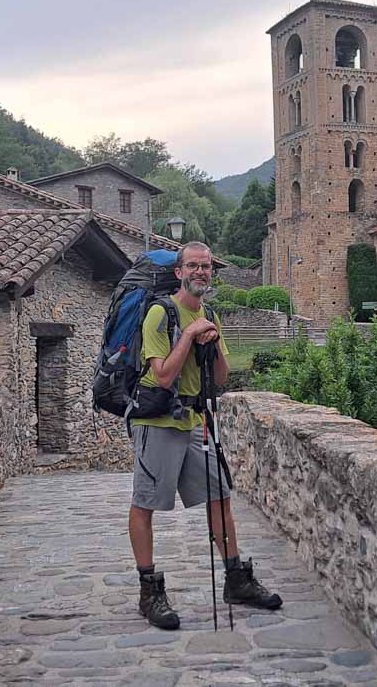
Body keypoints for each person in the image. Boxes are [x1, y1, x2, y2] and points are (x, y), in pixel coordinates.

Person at [127, 241, 282, 630]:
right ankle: (149, 591)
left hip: (195, 421)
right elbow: (162, 374)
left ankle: (236, 580)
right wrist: (189, 334)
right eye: (193, 266)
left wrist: (211, 342)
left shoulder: (209, 313)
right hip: (158, 421)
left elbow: (222, 377)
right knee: (146, 504)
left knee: (219, 497)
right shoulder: (160, 313)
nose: (201, 272)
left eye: (207, 266)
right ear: (179, 272)